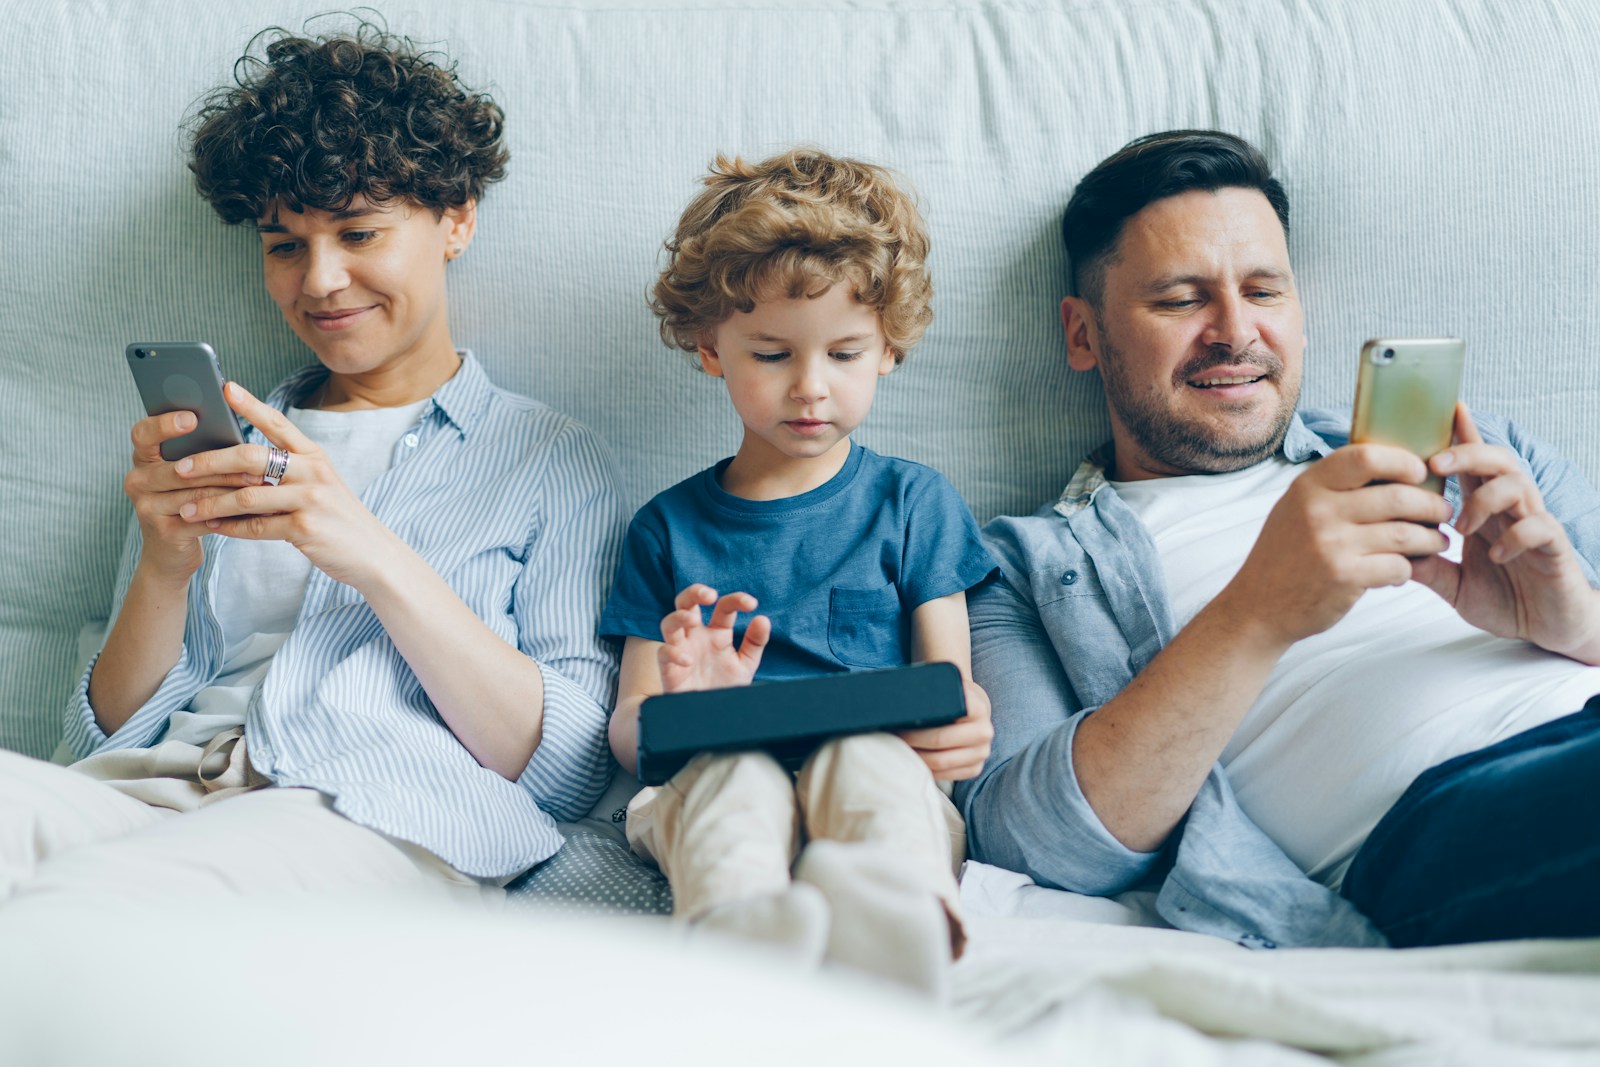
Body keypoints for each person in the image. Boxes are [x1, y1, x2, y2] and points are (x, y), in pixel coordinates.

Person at [0, 21, 626, 903]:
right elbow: (100, 736)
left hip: (365, 808)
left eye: (360, 233)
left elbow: (566, 771)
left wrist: (369, 552)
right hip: (157, 789)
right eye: (285, 244)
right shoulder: (230, 443)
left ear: (456, 220)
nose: (320, 281)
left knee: (115, 898)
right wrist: (164, 567)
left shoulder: (548, 461)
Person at [955, 129, 1600, 950]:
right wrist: (1261, 607)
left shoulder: (1488, 451)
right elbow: (1030, 842)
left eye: (1264, 290)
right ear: (1083, 334)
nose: (1236, 330)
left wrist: (1579, 620)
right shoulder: (1016, 570)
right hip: (1451, 817)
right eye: (1182, 299)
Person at [601, 149, 996, 993]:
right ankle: (740, 951)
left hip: (878, 771)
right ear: (711, 348)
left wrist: (963, 726)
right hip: (709, 772)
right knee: (735, 779)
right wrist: (683, 707)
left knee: (865, 760)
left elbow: (949, 692)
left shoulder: (914, 502)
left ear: (888, 349)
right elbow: (632, 736)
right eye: (773, 355)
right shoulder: (666, 527)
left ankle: (902, 932)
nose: (810, 389)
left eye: (845, 354)